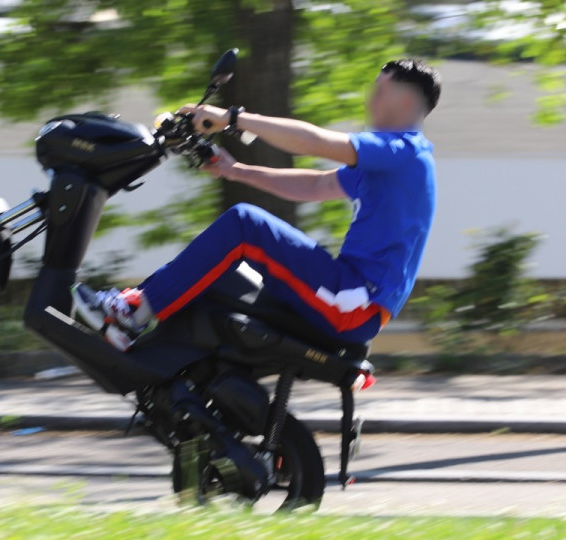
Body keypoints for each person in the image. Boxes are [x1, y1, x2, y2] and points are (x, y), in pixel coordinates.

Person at [72, 58, 441, 351]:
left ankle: (133, 313)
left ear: (406, 101)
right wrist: (237, 171)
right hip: (350, 294)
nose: (369, 99)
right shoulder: (390, 164)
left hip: (356, 303)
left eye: (380, 90)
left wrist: (231, 119)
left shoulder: (404, 152)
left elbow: (315, 143)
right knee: (229, 268)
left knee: (245, 224)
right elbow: (316, 184)